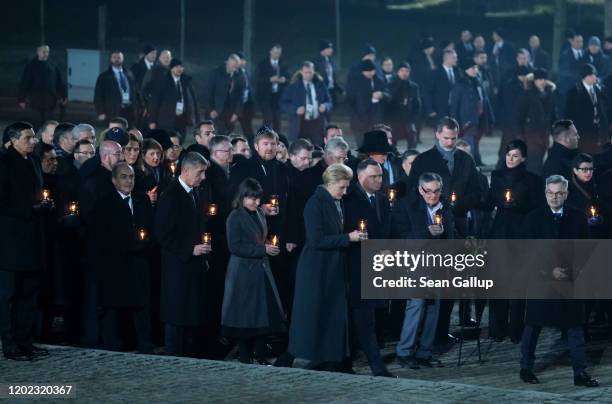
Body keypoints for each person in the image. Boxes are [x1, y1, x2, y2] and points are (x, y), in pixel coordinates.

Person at [407, 117, 482, 344]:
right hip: (428, 231)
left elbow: (476, 191)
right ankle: (425, 334)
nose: (450, 142)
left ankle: (441, 331)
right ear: (437, 135)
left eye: (454, 138)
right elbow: (412, 193)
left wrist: (458, 206)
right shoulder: (424, 160)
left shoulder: (466, 160)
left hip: (455, 227)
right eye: (446, 138)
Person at [520, 175, 598, 388]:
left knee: (575, 328)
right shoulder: (533, 218)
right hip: (541, 281)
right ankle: (525, 368)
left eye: (558, 193)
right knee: (533, 326)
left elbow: (585, 250)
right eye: (550, 193)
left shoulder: (578, 217)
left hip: (569, 280)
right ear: (545, 193)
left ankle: (579, 372)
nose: (554, 197)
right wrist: (548, 271)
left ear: (566, 194)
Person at [289, 163, 362, 371]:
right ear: (329, 184)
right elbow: (316, 240)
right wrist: (347, 237)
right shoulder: (315, 204)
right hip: (317, 268)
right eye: (341, 187)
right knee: (318, 313)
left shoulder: (336, 201)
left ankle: (333, 357)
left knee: (332, 313)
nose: (345, 192)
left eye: (347, 187)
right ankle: (317, 356)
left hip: (333, 265)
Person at [392, 172, 454, 369]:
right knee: (416, 306)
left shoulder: (445, 206)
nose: (432, 196)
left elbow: (453, 234)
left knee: (434, 308)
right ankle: (404, 351)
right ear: (420, 189)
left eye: (436, 191)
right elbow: (400, 238)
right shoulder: (406, 205)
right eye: (428, 192)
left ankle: (424, 352)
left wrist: (446, 234)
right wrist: (426, 232)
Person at [92, 162, 154, 353]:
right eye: (124, 177)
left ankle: (145, 347)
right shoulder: (104, 203)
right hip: (116, 266)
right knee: (114, 309)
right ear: (114, 180)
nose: (129, 181)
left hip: (139, 263)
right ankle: (113, 348)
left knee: (141, 308)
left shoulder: (142, 199)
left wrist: (145, 244)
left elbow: (151, 227)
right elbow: (102, 237)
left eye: (132, 176)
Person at [222, 178, 285, 364]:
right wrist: (263, 249)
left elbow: (259, 238)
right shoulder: (235, 217)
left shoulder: (259, 213)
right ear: (243, 197)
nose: (257, 203)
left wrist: (267, 247)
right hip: (242, 272)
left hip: (260, 269)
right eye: (253, 199)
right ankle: (244, 356)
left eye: (258, 199)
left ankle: (260, 355)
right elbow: (235, 247)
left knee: (261, 314)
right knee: (244, 316)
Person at [0, 122, 49, 360]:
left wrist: (43, 206)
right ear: (13, 140)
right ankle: (9, 345)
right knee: (8, 296)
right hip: (10, 242)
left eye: (33, 137)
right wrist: (30, 209)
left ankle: (25, 341)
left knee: (28, 296)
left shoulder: (34, 161)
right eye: (28, 138)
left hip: (32, 239)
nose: (34, 141)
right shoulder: (3, 163)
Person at [486, 140, 543, 342]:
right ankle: (497, 329)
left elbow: (536, 208)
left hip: (520, 235)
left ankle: (516, 330)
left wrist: (519, 205)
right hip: (500, 235)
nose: (511, 159)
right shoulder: (497, 176)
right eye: (509, 155)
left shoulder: (533, 180)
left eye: (515, 156)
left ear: (523, 158)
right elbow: (490, 200)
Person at [155, 152, 210, 357]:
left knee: (190, 313)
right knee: (176, 314)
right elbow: (163, 233)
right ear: (186, 171)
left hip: (193, 265)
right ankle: (173, 358)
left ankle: (188, 356)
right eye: (200, 172)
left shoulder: (196, 192)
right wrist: (190, 249)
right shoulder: (171, 195)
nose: (203, 177)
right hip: (177, 265)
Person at [343, 160, 394, 377]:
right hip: (356, 266)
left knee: (368, 317)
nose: (378, 180)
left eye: (381, 176)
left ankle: (347, 362)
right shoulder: (349, 198)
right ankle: (376, 366)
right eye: (373, 176)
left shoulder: (382, 200)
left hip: (378, 266)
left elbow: (387, 230)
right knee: (363, 318)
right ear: (360, 176)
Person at [450, 59, 494, 167]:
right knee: (468, 143)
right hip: (467, 119)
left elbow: (484, 99)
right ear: (466, 70)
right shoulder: (460, 84)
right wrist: (456, 123)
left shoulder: (477, 81)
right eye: (472, 68)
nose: (475, 70)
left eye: (476, 67)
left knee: (475, 141)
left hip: (480, 117)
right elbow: (454, 106)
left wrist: (490, 116)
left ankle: (476, 161)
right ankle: (470, 166)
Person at [516, 69, 557, 175]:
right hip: (531, 134)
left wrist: (555, 133)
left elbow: (553, 115)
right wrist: (520, 135)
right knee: (534, 162)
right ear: (534, 81)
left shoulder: (550, 94)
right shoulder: (528, 94)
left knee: (540, 160)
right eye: (539, 79)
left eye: (543, 79)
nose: (542, 81)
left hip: (545, 134)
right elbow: (520, 115)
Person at [280, 61, 332, 144]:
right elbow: (283, 104)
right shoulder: (293, 86)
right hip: (300, 124)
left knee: (319, 150)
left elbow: (329, 101)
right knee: (299, 151)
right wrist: (295, 110)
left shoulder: (320, 84)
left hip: (317, 123)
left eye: (310, 72)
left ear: (314, 72)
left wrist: (325, 106)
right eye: (306, 72)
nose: (308, 75)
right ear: (301, 72)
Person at [18, 45, 67, 128]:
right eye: (44, 52)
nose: (46, 54)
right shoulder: (31, 65)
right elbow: (25, 82)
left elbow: (60, 82)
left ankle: (48, 140)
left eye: (47, 52)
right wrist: (21, 99)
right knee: (37, 122)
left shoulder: (53, 65)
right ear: (38, 52)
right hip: (36, 100)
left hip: (50, 100)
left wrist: (63, 95)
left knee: (50, 124)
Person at [565, 64, 608, 155]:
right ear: (585, 77)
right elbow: (568, 114)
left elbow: (604, 110)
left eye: (595, 74)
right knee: (583, 158)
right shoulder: (574, 92)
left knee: (598, 158)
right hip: (583, 133)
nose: (594, 77)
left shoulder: (599, 90)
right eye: (591, 75)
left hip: (599, 132)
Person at [149, 59, 199, 136]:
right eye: (176, 67)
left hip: (182, 119)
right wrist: (152, 121)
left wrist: (196, 118)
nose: (179, 69)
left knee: (180, 142)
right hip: (166, 120)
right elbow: (155, 102)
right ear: (171, 68)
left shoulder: (186, 81)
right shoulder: (163, 81)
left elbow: (193, 100)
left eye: (181, 67)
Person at [345, 60, 389, 145]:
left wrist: (382, 94)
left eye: (371, 71)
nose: (369, 73)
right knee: (362, 146)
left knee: (375, 146)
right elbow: (349, 101)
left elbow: (389, 94)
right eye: (366, 71)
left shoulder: (379, 80)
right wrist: (354, 115)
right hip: (359, 119)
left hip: (376, 119)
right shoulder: (355, 82)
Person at [94, 51, 141, 126]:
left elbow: (136, 91)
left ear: (122, 59)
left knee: (128, 133)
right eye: (114, 57)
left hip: (129, 110)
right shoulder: (104, 76)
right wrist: (100, 112)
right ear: (111, 59)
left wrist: (138, 107)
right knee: (114, 133)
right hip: (112, 111)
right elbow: (98, 95)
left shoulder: (129, 74)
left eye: (119, 57)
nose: (116, 59)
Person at [204, 54, 243, 135]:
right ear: (227, 63)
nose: (235, 69)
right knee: (215, 135)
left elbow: (240, 97)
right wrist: (211, 109)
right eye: (233, 66)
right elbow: (208, 92)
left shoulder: (239, 76)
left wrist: (236, 113)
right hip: (216, 111)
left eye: (237, 67)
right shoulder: (216, 73)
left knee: (227, 136)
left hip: (231, 112)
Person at [254, 44, 289, 131]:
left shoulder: (283, 64)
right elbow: (257, 80)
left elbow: (288, 78)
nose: (277, 54)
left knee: (277, 119)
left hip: (278, 96)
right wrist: (269, 80)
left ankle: (277, 140)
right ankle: (263, 136)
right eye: (275, 52)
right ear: (270, 51)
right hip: (265, 96)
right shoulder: (262, 64)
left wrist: (284, 80)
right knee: (268, 118)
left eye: (279, 53)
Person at [387, 62, 421, 149]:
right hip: (394, 119)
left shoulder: (413, 86)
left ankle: (411, 160)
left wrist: (413, 118)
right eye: (402, 70)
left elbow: (417, 104)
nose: (404, 73)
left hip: (408, 119)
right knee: (391, 144)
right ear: (397, 72)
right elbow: (387, 104)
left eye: (406, 71)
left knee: (413, 141)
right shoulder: (390, 85)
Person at [313, 40, 342, 119]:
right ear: (323, 50)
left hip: (331, 90)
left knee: (330, 112)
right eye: (329, 48)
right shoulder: (315, 62)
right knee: (322, 113)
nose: (331, 50)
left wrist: (339, 88)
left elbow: (332, 77)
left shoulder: (331, 61)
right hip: (321, 91)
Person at [426, 50, 458, 120]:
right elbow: (428, 92)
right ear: (447, 58)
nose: (456, 59)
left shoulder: (458, 72)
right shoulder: (435, 73)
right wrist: (430, 109)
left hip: (455, 109)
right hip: (440, 110)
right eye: (454, 57)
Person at [235, 52, 255, 140]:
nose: (243, 62)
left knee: (248, 127)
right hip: (236, 105)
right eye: (241, 60)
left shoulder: (245, 72)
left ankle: (252, 147)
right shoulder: (235, 73)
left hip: (246, 104)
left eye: (244, 60)